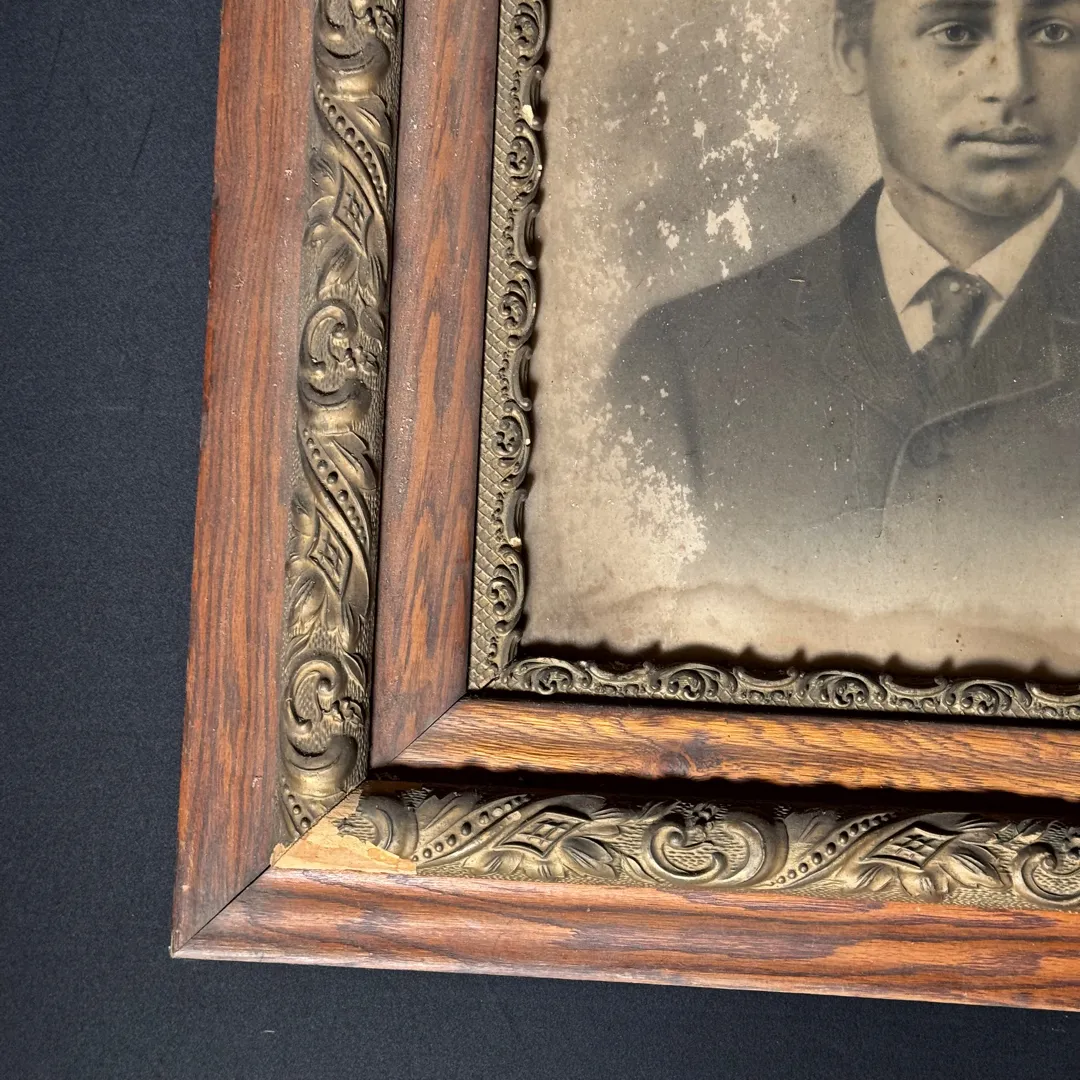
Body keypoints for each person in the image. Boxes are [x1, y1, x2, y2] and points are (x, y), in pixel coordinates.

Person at [610, 0, 1080, 551]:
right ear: (852, 51)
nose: (1012, 83)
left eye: (1053, 32)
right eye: (956, 32)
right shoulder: (679, 366)